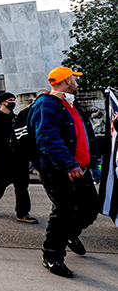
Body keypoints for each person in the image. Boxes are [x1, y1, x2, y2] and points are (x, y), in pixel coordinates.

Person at [28, 67, 100, 277]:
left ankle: (69, 234)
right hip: (59, 170)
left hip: (81, 169)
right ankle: (52, 256)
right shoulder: (47, 104)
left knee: (90, 209)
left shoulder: (70, 103)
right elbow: (47, 138)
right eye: (75, 79)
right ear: (67, 81)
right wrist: (69, 164)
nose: (77, 82)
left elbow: (83, 134)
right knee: (64, 211)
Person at [0, 92, 37, 223]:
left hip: (19, 157)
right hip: (3, 157)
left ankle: (23, 213)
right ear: (3, 102)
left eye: (13, 99)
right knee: (1, 183)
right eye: (10, 100)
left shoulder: (16, 118)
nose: (12, 102)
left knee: (22, 185)